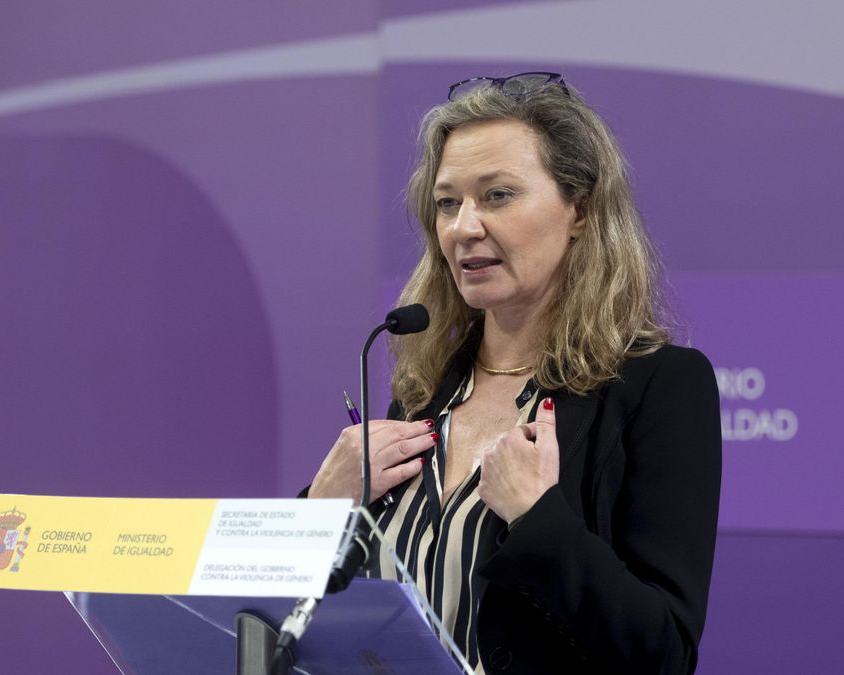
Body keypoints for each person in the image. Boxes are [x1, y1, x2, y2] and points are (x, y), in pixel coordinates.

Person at [307, 72, 721, 674]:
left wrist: (536, 518)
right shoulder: (424, 390)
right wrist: (321, 508)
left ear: (580, 210)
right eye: (447, 203)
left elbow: (663, 652)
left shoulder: (659, 387)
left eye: (497, 195)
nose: (463, 227)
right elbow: (295, 621)